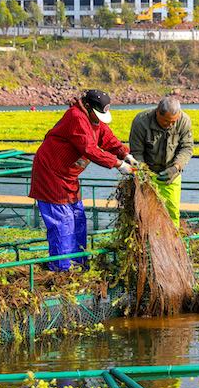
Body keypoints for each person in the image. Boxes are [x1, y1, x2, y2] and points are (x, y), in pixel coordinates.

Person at [29, 90, 134, 271]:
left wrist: (124, 153)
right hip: (51, 174)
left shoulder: (94, 119)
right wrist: (117, 164)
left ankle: (78, 262)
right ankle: (61, 268)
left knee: (78, 218)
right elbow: (89, 149)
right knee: (63, 221)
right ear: (87, 106)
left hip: (69, 175)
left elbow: (106, 137)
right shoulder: (76, 117)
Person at [128, 96, 194, 228]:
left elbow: (187, 148)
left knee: (172, 212)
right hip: (147, 174)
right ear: (157, 112)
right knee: (145, 214)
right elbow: (137, 153)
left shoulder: (184, 121)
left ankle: (173, 241)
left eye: (173, 122)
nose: (170, 125)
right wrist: (144, 175)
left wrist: (176, 167)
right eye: (166, 122)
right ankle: (146, 242)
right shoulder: (141, 122)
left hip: (172, 173)